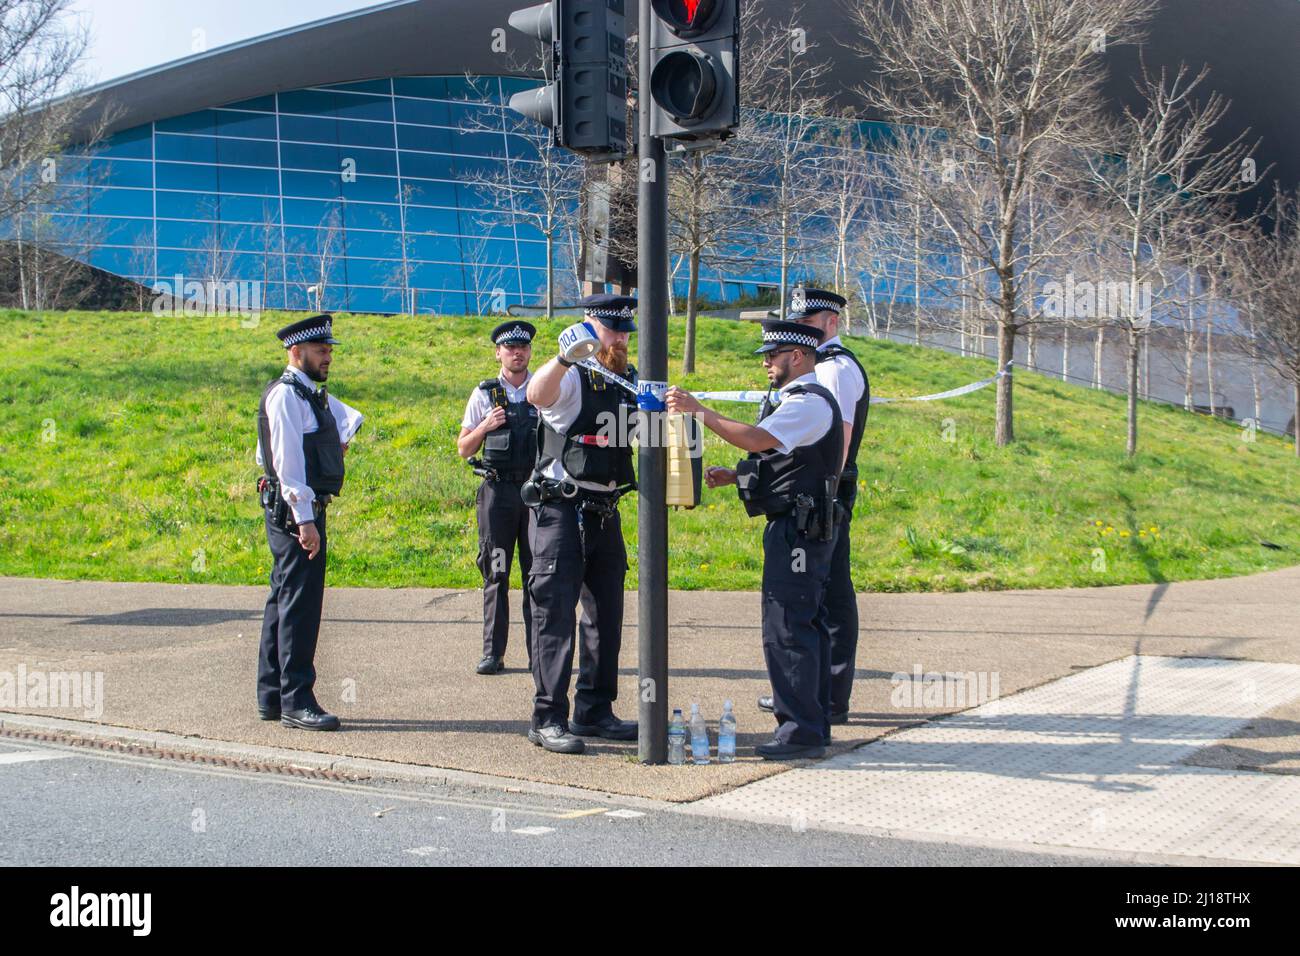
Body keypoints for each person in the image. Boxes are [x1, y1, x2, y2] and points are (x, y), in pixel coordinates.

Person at [667, 321, 843, 759]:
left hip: (799, 532)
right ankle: (811, 724)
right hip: (800, 527)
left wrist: (699, 411)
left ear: (798, 356)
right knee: (803, 626)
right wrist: (736, 476)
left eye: (773, 354)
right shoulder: (802, 401)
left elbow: (760, 439)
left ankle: (800, 731)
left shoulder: (809, 402)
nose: (766, 362)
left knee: (788, 628)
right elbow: (783, 461)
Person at [522, 294, 640, 754]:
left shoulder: (624, 378)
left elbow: (641, 434)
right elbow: (537, 395)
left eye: (626, 331)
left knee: (605, 616)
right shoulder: (571, 376)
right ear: (591, 331)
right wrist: (560, 357)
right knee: (555, 618)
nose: (623, 338)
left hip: (605, 510)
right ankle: (547, 717)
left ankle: (594, 709)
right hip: (561, 510)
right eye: (614, 331)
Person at [757, 287, 869, 724]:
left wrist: (823, 493)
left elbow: (836, 438)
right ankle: (812, 693)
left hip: (826, 491)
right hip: (818, 490)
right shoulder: (817, 367)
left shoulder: (836, 370)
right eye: (797, 325)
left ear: (831, 323)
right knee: (822, 594)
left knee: (828, 595)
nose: (800, 331)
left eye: (807, 325)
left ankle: (826, 696)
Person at [255, 314, 363, 731]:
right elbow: (286, 465)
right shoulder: (286, 396)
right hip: (296, 513)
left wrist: (336, 447)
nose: (328, 357)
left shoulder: (308, 394)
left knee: (282, 601)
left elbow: (350, 419)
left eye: (330, 350)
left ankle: (272, 695)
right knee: (299, 607)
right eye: (321, 350)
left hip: (296, 509)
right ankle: (296, 700)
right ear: (295, 352)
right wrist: (305, 520)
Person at [458, 320, 539, 676]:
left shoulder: (543, 389)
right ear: (498, 353)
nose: (517, 353)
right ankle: (493, 652)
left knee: (539, 575)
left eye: (522, 347)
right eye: (510, 348)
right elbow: (463, 448)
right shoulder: (484, 394)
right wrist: (485, 426)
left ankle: (541, 653)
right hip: (498, 492)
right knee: (497, 570)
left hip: (537, 494)